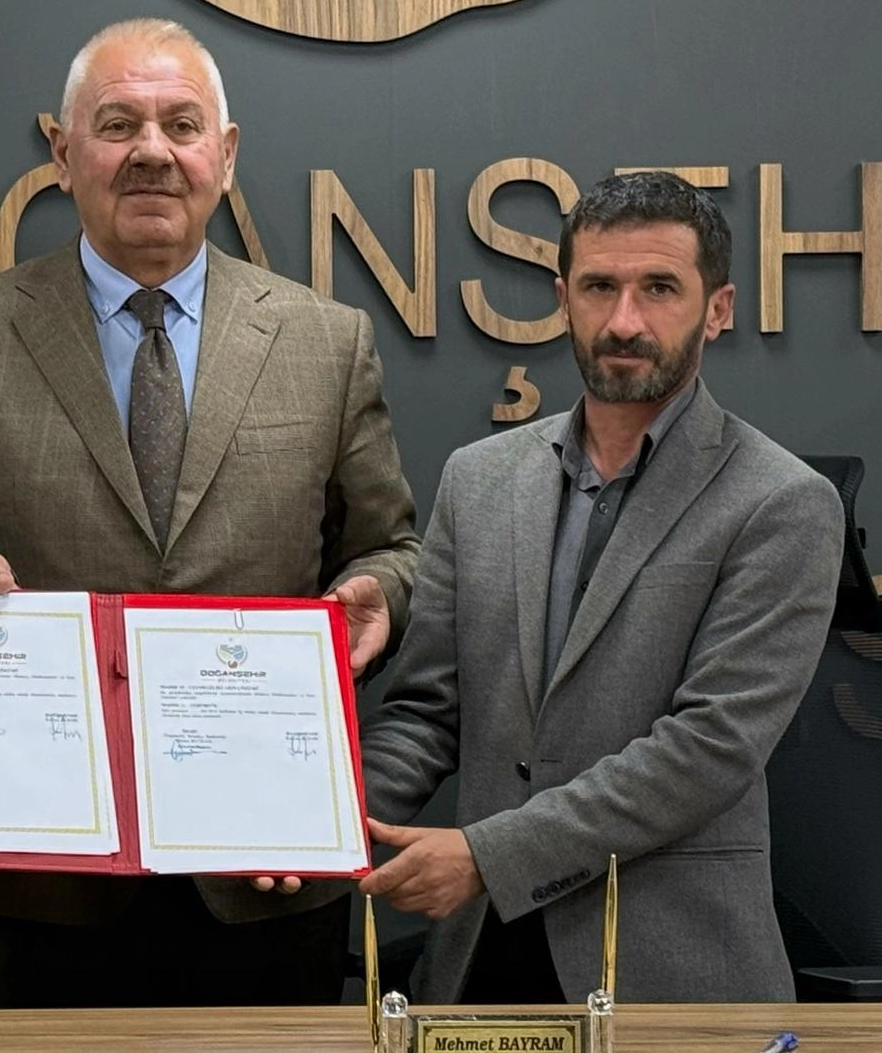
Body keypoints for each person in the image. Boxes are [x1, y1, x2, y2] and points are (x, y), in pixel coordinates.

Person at [0, 18, 419, 1008]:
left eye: (181, 125)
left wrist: (380, 591)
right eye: (117, 125)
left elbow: (391, 547)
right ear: (62, 151)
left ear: (224, 156)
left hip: (264, 872)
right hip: (42, 884)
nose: (152, 151)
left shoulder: (327, 342)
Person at [359, 171, 844, 1003]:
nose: (624, 321)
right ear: (563, 300)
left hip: (669, 971)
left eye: (660, 288)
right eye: (598, 287)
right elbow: (426, 713)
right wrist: (314, 824)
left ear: (718, 308)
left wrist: (488, 857)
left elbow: (708, 749)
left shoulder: (782, 501)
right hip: (480, 965)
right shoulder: (478, 479)